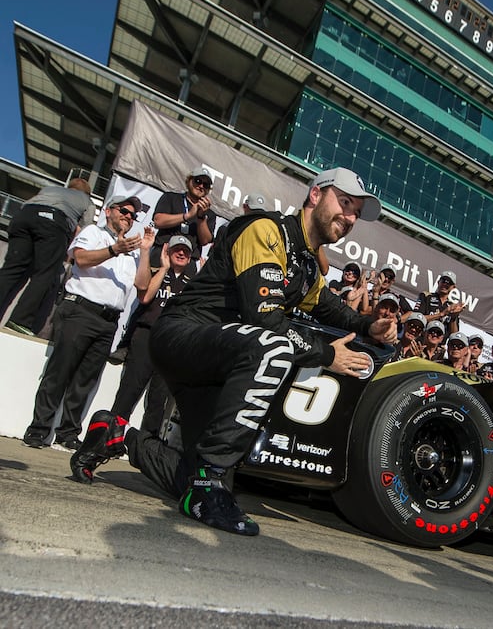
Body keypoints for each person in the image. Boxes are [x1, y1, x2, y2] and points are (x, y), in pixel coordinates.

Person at [71, 167, 396, 539]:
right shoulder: (266, 230)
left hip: (216, 361)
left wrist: (368, 326)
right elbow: (267, 319)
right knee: (274, 346)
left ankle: (117, 436)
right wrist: (326, 355)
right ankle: (206, 487)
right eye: (346, 203)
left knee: (200, 477)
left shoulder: (306, 263)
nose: (350, 217)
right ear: (316, 195)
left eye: (356, 212)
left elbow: (326, 305)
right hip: (183, 333)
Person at [22, 196, 154, 449]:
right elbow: (80, 260)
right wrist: (115, 249)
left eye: (133, 215)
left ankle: (68, 433)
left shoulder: (133, 250)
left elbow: (142, 285)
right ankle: (38, 429)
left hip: (108, 321)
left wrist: (145, 250)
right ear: (109, 212)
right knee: (59, 373)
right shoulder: (95, 232)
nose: (129, 216)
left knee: (85, 380)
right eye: (125, 211)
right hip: (80, 310)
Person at [108, 235, 194, 436]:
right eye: (177, 250)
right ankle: (111, 437)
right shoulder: (156, 272)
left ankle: (146, 446)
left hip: (171, 343)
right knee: (129, 390)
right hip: (147, 336)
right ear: (167, 252)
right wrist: (163, 268)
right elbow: (144, 296)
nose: (181, 253)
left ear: (190, 258)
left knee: (159, 398)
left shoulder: (192, 284)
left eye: (186, 252)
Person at [0, 177, 93, 336]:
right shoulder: (87, 201)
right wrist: (68, 256)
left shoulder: (50, 189)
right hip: (53, 222)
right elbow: (84, 232)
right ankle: (19, 321)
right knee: (45, 273)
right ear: (87, 192)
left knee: (11, 269)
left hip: (23, 217)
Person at [151, 165, 216, 267]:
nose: (201, 186)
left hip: (188, 261)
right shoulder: (170, 197)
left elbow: (205, 241)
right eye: (198, 181)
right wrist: (187, 216)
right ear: (189, 181)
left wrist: (201, 217)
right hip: (163, 253)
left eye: (206, 184)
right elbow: (158, 221)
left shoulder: (209, 213)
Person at [409, 270, 464, 334]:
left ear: (453, 287)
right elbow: (416, 318)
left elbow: (454, 334)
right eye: (443, 281)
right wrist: (441, 314)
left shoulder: (452, 306)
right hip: (422, 337)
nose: (445, 284)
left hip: (439, 342)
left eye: (449, 283)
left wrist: (453, 317)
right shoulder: (426, 296)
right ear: (438, 282)